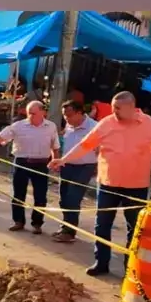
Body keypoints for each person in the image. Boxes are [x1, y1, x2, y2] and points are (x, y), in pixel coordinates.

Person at [49, 91, 151, 277]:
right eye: (113, 108)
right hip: (107, 183)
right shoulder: (107, 123)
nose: (114, 112)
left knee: (134, 227)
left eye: (118, 108)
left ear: (131, 107)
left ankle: (131, 267)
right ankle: (101, 262)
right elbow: (85, 145)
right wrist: (63, 159)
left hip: (136, 186)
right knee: (102, 225)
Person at [0, 100, 60, 234]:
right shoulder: (19, 126)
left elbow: (55, 145)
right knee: (19, 194)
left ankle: (37, 223)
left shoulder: (51, 127)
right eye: (28, 113)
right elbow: (1, 136)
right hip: (22, 162)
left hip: (42, 164)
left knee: (41, 196)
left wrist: (55, 160)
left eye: (33, 114)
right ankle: (18, 221)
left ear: (43, 112)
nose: (30, 116)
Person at [53, 100, 98, 244]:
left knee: (73, 198)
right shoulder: (69, 125)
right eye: (64, 115)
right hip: (67, 166)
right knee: (63, 199)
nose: (66, 118)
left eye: (69, 115)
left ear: (80, 113)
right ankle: (65, 226)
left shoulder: (94, 128)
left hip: (85, 167)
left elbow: (101, 149)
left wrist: (98, 167)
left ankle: (69, 233)